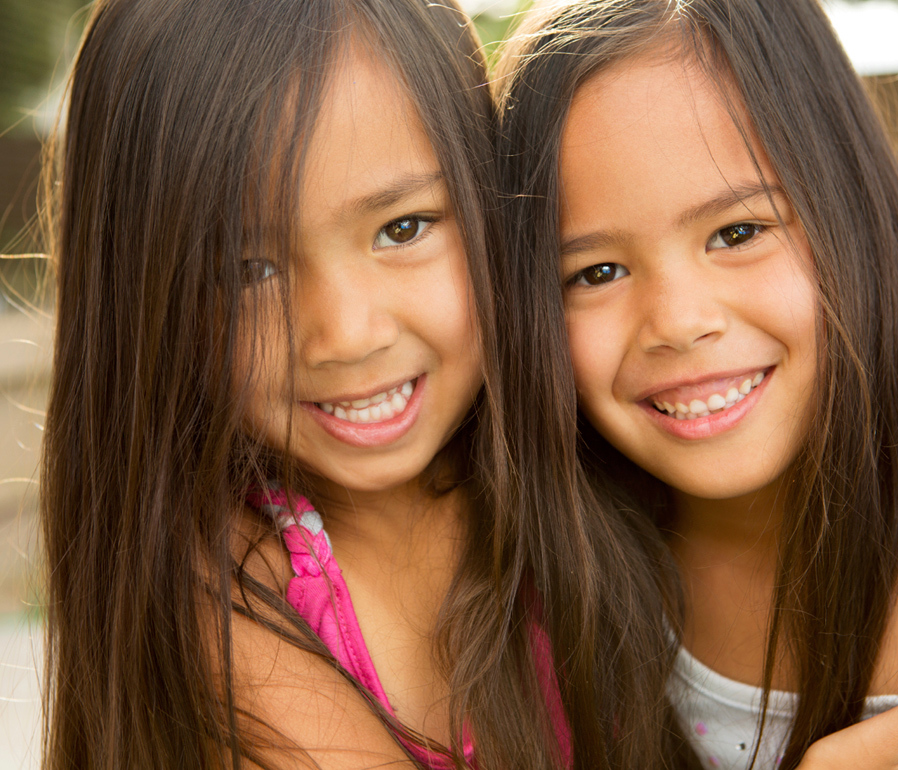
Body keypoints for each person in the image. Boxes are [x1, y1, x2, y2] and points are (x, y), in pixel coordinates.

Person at [38, 0, 693, 767]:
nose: (347, 334)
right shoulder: (215, 582)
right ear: (139, 301)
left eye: (403, 228)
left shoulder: (592, 470)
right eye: (245, 271)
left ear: (495, 198)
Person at [495, 0, 898, 767]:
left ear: (853, 211)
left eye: (737, 232)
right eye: (596, 272)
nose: (678, 321)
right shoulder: (568, 608)